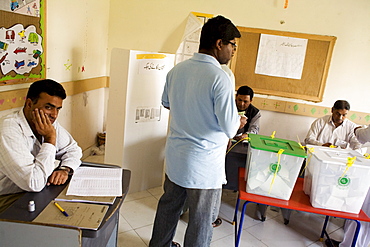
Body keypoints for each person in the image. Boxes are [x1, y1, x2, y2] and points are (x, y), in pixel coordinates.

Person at [149, 16, 245, 247]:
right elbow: (230, 128)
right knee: (201, 218)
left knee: (168, 207)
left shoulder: (177, 70)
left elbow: (167, 103)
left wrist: (190, 112)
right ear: (220, 43)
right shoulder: (220, 78)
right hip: (204, 164)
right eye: (232, 45)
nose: (233, 51)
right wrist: (238, 122)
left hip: (176, 157)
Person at [0, 79, 82, 213]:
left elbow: (73, 150)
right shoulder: (8, 129)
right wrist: (50, 139)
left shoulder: (47, 121)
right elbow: (34, 183)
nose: (54, 115)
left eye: (58, 109)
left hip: (34, 189)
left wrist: (65, 169)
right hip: (7, 196)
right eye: (48, 107)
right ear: (29, 104)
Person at [325, 125, 370, 247]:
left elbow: (364, 136)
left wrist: (357, 130)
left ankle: (351, 245)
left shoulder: (350, 126)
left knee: (363, 212)